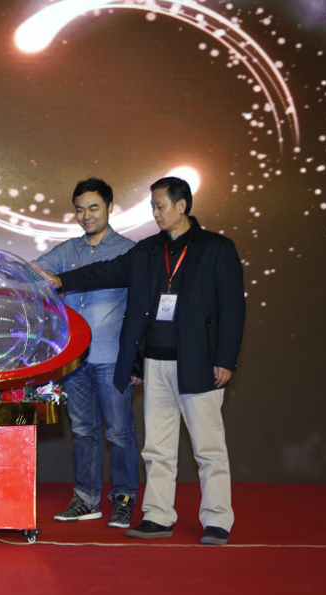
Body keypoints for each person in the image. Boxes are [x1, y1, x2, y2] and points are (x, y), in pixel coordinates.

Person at [41, 176, 245, 545]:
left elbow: (232, 308)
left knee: (208, 448)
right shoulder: (149, 250)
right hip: (155, 363)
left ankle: (217, 520)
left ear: (182, 205)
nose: (155, 213)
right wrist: (61, 280)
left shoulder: (216, 248)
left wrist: (225, 359)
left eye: (160, 206)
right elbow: (106, 271)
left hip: (198, 364)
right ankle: (157, 515)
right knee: (157, 448)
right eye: (152, 206)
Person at [34, 178, 138, 528]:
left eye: (94, 207)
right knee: (83, 431)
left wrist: (136, 360)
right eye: (80, 209)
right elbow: (33, 271)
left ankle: (124, 498)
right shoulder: (66, 251)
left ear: (110, 207)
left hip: (112, 358)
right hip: (74, 361)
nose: (86, 215)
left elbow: (141, 311)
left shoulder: (129, 251)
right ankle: (86, 498)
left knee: (119, 432)